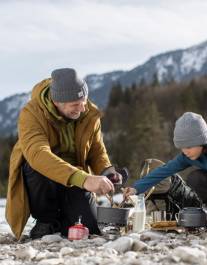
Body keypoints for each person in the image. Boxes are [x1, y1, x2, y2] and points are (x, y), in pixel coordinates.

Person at [6, 68, 122, 240]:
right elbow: (38, 154)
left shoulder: (89, 113)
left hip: (76, 177)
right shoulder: (31, 114)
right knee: (35, 165)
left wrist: (107, 171)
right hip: (45, 177)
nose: (83, 108)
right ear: (56, 101)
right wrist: (84, 179)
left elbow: (97, 150)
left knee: (89, 229)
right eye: (75, 104)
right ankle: (46, 220)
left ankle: (63, 218)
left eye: (84, 101)